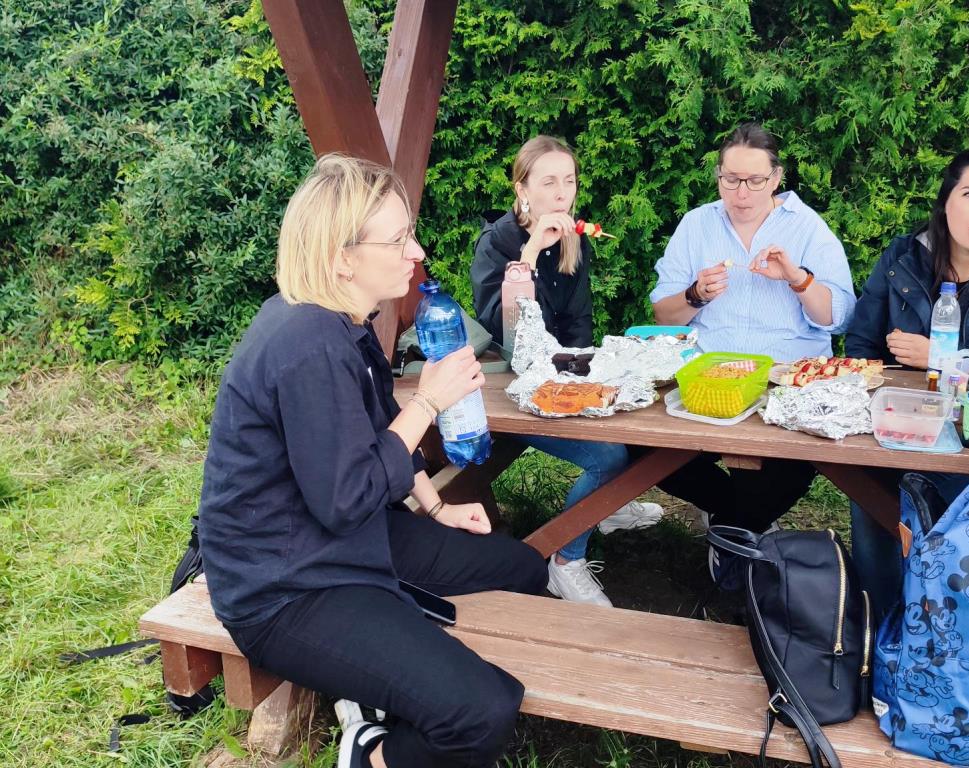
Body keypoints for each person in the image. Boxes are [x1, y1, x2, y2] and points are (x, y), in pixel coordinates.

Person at [197, 154, 549, 768]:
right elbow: (346, 496)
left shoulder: (346, 323)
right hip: (285, 587)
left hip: (344, 539)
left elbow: (375, 429)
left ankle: (385, 685)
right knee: (481, 712)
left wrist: (435, 506)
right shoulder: (305, 344)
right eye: (398, 239)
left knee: (518, 567)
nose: (416, 252)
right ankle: (373, 751)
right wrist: (431, 402)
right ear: (341, 257)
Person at [649, 122, 857, 585]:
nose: (741, 192)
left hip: (786, 379)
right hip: (707, 377)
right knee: (638, 445)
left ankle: (732, 524)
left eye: (755, 181)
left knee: (797, 459)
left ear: (776, 178)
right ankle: (739, 519)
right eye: (730, 179)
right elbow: (665, 315)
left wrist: (798, 279)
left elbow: (838, 316)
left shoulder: (807, 228)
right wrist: (696, 295)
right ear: (719, 176)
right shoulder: (697, 224)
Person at [472, 135, 664, 607]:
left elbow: (579, 323)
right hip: (507, 386)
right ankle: (564, 560)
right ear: (523, 190)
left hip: (558, 378)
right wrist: (531, 253)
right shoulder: (497, 244)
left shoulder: (574, 242)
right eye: (549, 182)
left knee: (643, 421)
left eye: (570, 181)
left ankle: (604, 507)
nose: (562, 193)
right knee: (609, 458)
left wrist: (586, 383)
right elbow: (509, 334)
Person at [845, 143, 969, 619]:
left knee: (967, 539)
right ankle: (883, 633)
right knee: (870, 497)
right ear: (947, 200)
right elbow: (861, 346)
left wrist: (942, 358)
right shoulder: (902, 257)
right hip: (902, 428)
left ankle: (948, 638)